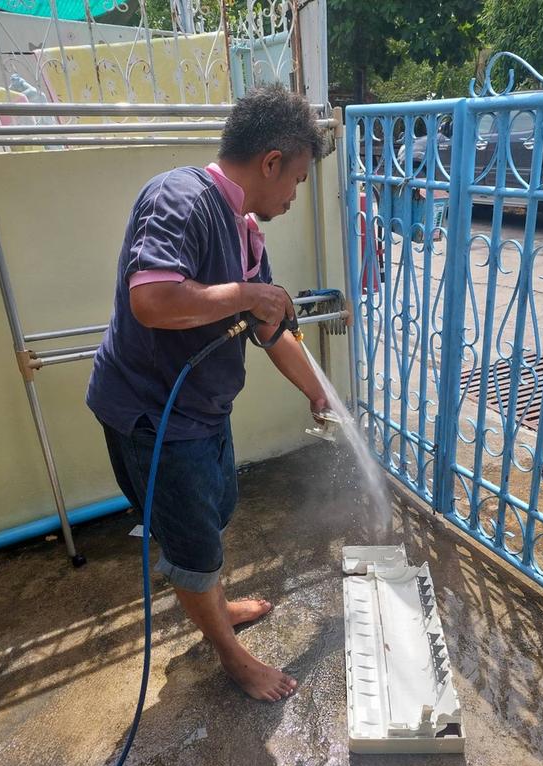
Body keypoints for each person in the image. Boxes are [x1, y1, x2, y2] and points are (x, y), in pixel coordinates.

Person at [86, 84, 329, 702]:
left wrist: (318, 393)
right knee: (193, 546)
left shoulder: (245, 229)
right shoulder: (180, 199)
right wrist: (248, 295)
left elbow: (269, 329)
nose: (295, 196)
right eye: (296, 180)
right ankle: (232, 658)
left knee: (212, 517)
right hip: (156, 418)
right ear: (271, 162)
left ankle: (215, 607)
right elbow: (153, 300)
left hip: (202, 410)